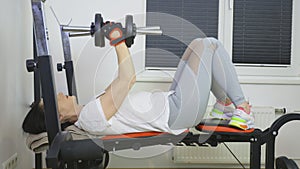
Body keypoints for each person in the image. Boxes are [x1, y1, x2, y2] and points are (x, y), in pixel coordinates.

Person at [22, 22, 254, 135]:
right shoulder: (90, 117)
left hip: (173, 102)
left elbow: (120, 80)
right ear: (59, 115)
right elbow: (128, 79)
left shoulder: (90, 108)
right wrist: (118, 41)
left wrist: (118, 42)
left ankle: (224, 105)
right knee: (209, 44)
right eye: (54, 99)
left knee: (197, 45)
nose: (60, 94)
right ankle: (242, 108)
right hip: (178, 112)